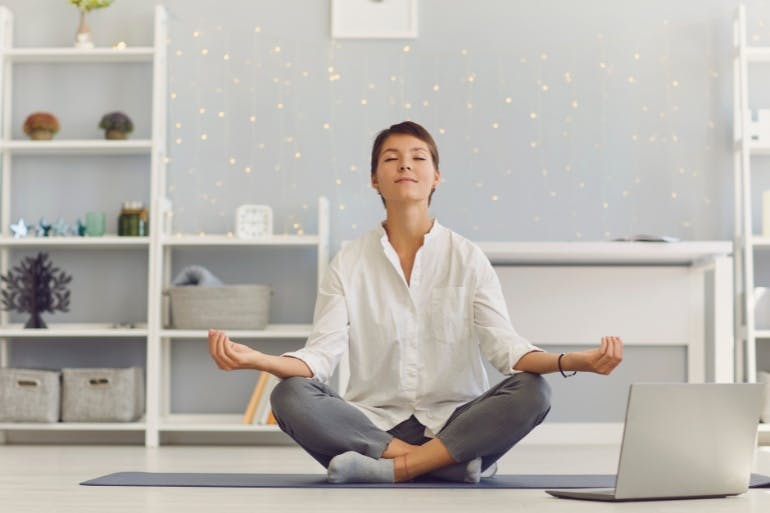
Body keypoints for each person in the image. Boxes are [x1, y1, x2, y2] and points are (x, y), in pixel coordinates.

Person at [208, 121, 623, 484]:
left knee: (534, 391)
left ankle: (392, 469)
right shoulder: (348, 262)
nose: (405, 165)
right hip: (372, 427)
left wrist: (574, 361)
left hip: (457, 423)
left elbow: (507, 350)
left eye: (418, 157)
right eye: (391, 158)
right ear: (375, 179)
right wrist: (258, 360)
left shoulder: (467, 257)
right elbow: (319, 357)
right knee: (288, 396)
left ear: (436, 176)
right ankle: (444, 466)